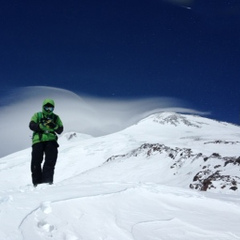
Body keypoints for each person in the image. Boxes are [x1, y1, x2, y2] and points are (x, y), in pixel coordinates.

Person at [29, 99, 63, 187]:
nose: (48, 110)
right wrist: (40, 126)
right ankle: (36, 183)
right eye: (46, 108)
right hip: (38, 140)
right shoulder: (38, 115)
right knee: (36, 161)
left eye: (50, 108)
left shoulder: (56, 118)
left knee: (50, 161)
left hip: (51, 140)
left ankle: (47, 182)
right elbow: (31, 125)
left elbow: (60, 129)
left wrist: (54, 126)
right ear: (43, 107)